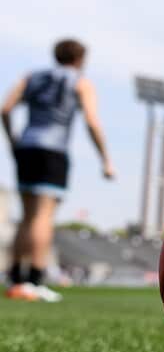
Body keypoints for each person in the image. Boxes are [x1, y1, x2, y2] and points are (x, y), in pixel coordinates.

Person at [1, 38, 114, 302]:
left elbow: (5, 109)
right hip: (53, 150)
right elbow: (92, 121)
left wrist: (13, 141)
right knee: (43, 215)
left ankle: (16, 279)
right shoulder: (80, 82)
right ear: (80, 60)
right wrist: (105, 159)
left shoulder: (31, 77)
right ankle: (36, 280)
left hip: (27, 147)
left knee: (27, 215)